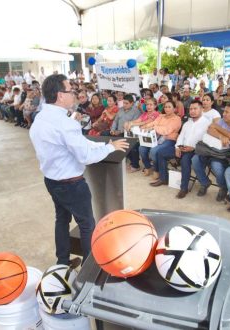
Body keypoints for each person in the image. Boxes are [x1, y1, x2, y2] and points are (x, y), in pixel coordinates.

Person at [29, 74, 128, 267]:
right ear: (60, 95)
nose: (74, 94)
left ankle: (63, 263)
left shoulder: (40, 117)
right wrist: (110, 148)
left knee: (62, 220)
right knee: (87, 225)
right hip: (72, 184)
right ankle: (89, 268)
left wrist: (94, 142)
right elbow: (86, 157)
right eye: (70, 91)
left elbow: (75, 143)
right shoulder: (65, 123)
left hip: (51, 180)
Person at [192, 102, 230, 201]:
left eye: (227, 112)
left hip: (227, 155)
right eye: (224, 111)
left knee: (216, 165)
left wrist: (216, 127)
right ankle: (205, 182)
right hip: (211, 149)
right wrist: (221, 136)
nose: (224, 114)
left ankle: (223, 187)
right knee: (195, 159)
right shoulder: (222, 121)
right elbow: (209, 130)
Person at [161, 100, 212, 198]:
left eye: (195, 109)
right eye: (191, 109)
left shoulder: (207, 124)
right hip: (182, 148)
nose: (192, 111)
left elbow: (207, 141)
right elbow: (181, 137)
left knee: (185, 160)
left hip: (196, 150)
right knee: (161, 153)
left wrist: (193, 148)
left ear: (201, 109)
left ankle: (183, 188)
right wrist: (177, 147)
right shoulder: (187, 123)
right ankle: (163, 178)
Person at [141, 100, 182, 180]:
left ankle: (157, 170)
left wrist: (154, 128)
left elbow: (166, 130)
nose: (167, 109)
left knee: (154, 151)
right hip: (156, 137)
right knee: (142, 148)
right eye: (166, 107)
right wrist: (145, 126)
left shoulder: (177, 119)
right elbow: (153, 123)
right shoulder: (161, 116)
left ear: (174, 109)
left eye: (169, 107)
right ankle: (148, 166)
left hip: (169, 140)